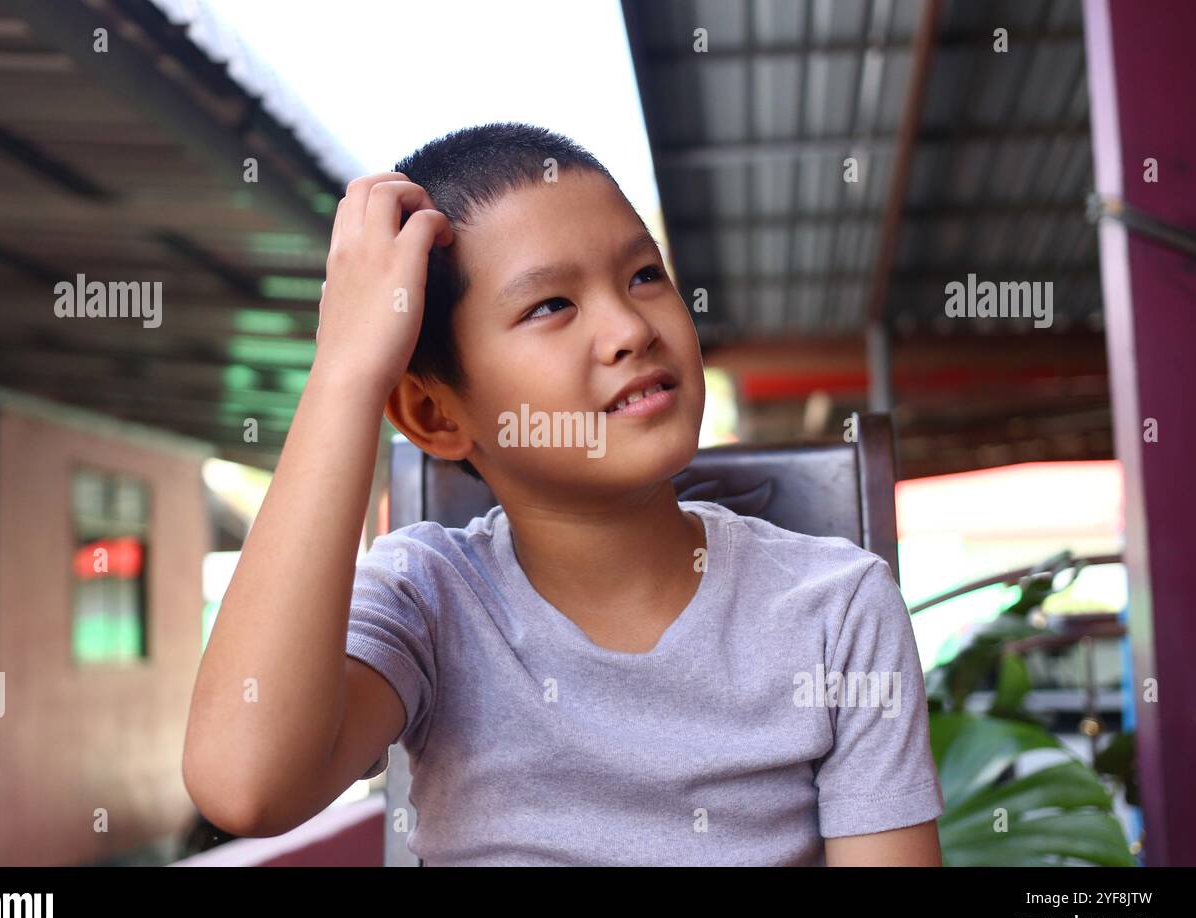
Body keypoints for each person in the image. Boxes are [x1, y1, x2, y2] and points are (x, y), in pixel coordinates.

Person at [182, 122, 944, 866]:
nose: (629, 328)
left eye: (645, 276)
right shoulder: (429, 598)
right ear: (433, 414)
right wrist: (345, 374)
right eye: (551, 306)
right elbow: (247, 786)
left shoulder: (838, 610)